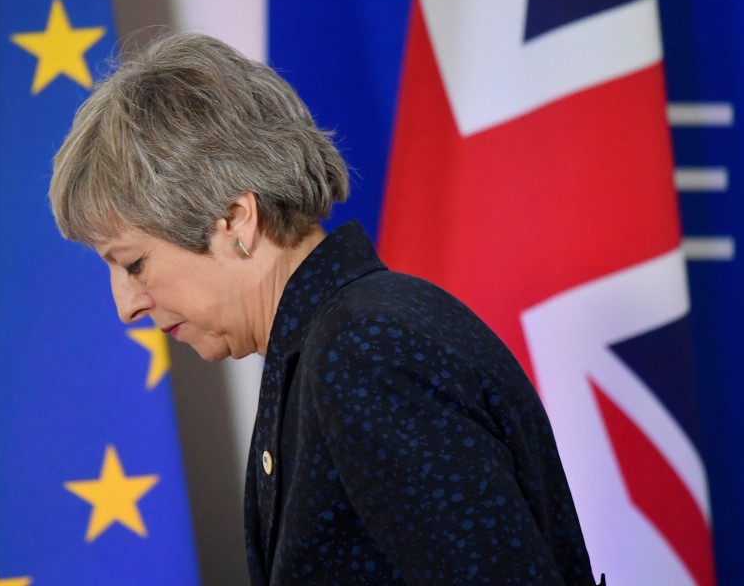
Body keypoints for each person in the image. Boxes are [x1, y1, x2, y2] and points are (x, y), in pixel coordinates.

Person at [48, 33, 600, 584]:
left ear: (237, 219)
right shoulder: (328, 346)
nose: (126, 306)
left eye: (134, 263)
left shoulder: (365, 353)